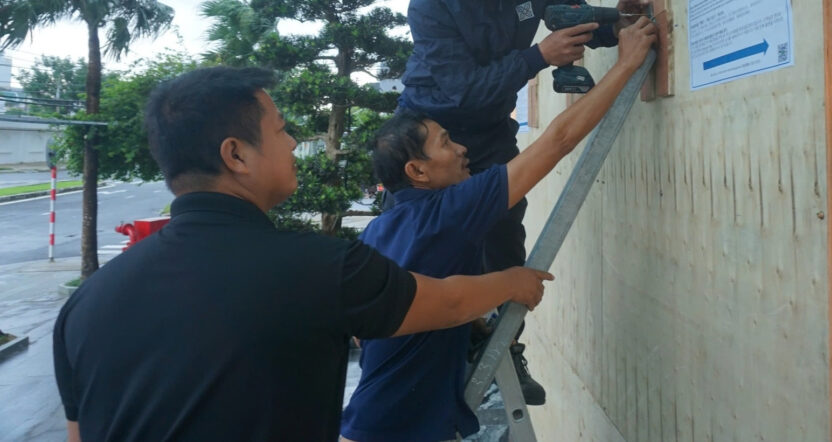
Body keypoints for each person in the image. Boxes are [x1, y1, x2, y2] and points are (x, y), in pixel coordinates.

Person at [52, 67, 553, 442]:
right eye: (280, 129)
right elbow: (441, 302)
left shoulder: (84, 306)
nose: (293, 143)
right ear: (236, 154)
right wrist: (511, 282)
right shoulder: (316, 268)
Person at [341, 18, 657, 442]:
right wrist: (627, 63)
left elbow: (368, 328)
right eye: (445, 142)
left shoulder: (380, 231)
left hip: (371, 420)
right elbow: (557, 141)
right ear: (417, 171)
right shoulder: (447, 212)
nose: (461, 149)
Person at [398, 0, 648, 401]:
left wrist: (615, 24)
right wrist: (538, 56)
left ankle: (505, 347)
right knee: (426, 243)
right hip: (431, 131)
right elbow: (461, 89)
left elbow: (571, 16)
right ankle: (436, 356)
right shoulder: (433, 0)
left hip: (490, 128)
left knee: (504, 232)